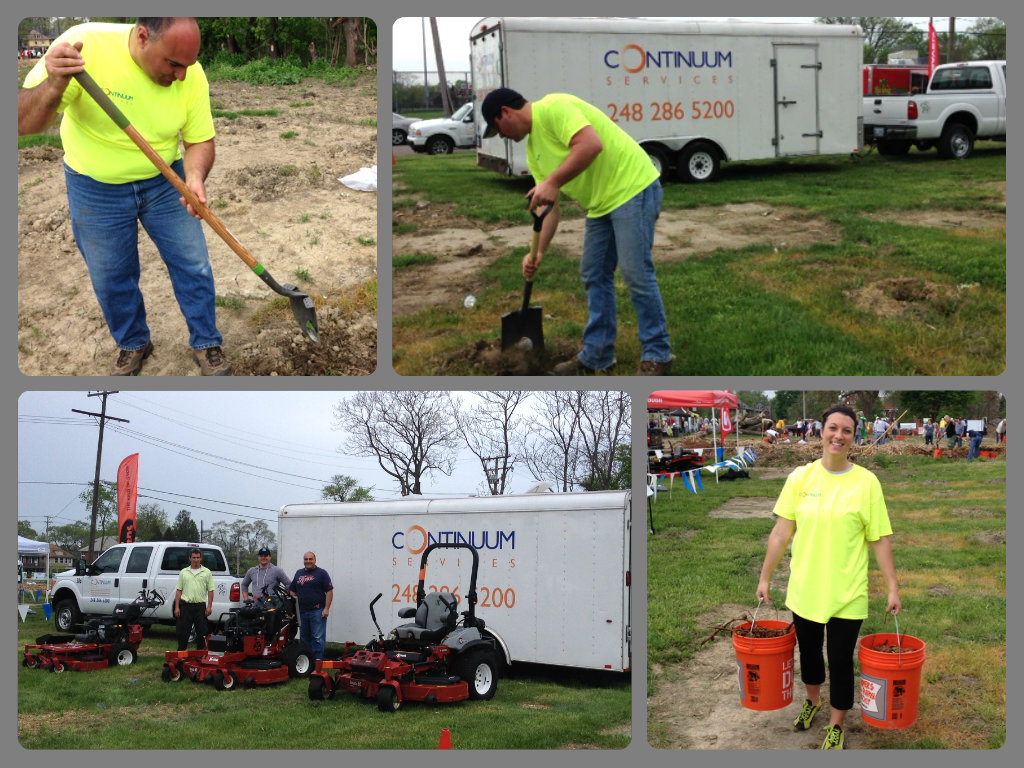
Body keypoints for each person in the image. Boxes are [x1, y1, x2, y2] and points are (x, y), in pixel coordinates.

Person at [18, 18, 230, 375]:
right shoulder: (83, 49)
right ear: (143, 37)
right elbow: (24, 123)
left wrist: (193, 177)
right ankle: (134, 343)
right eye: (173, 64)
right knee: (111, 274)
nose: (181, 75)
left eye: (187, 66)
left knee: (192, 263)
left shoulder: (191, 73)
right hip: (94, 185)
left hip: (166, 180)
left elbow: (198, 139)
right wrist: (53, 85)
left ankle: (206, 341)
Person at [480, 88, 673, 376]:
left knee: (635, 272)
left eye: (498, 129)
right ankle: (597, 355)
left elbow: (590, 144)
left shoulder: (555, 107)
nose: (503, 136)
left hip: (632, 187)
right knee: (593, 272)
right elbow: (550, 207)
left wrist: (552, 181)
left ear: (505, 113)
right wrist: (538, 251)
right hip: (601, 204)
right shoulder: (534, 151)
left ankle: (657, 353)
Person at [757, 404, 900, 750]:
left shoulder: (867, 483)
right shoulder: (800, 478)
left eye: (846, 430)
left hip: (847, 592)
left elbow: (879, 538)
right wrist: (764, 578)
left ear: (854, 436)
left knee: (839, 658)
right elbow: (780, 533)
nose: (838, 435)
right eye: (832, 428)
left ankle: (837, 723)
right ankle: (811, 700)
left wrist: (893, 586)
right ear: (820, 431)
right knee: (808, 653)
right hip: (805, 588)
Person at [289, 551, 333, 660]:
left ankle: (317, 662)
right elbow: (292, 591)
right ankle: (307, 661)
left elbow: (329, 591)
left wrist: (326, 608)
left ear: (315, 560)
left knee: (317, 637)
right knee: (304, 638)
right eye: (306, 559)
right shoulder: (299, 573)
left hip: (317, 611)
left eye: (310, 559)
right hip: (302, 611)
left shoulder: (322, 573)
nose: (308, 561)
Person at [173, 547, 214, 651]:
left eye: (198, 558)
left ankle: (200, 655)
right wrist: (177, 607)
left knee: (202, 632)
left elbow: (210, 590)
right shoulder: (184, 572)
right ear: (190, 558)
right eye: (194, 557)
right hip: (186, 606)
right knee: (183, 632)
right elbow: (179, 590)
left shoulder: (207, 572)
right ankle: (181, 654)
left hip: (200, 606)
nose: (196, 560)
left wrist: (209, 607)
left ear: (201, 558)